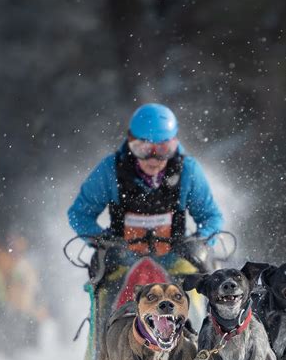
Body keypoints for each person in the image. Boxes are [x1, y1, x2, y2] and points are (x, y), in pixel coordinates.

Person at [68, 103, 223, 275]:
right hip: (124, 263)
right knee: (108, 295)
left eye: (163, 149)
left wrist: (198, 242)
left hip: (175, 261)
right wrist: (104, 242)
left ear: (174, 145)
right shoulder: (110, 170)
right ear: (131, 143)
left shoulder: (188, 171)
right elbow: (80, 214)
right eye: (143, 149)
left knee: (196, 291)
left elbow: (211, 217)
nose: (153, 159)